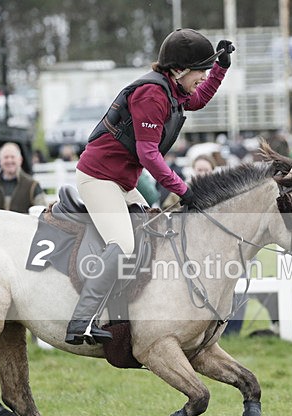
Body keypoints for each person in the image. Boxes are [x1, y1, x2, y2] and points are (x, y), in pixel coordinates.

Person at [65, 28, 235, 345]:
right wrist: (184, 190)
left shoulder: (171, 89)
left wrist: (221, 68)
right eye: (202, 69)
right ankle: (81, 320)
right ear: (181, 69)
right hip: (99, 178)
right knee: (123, 244)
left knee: (152, 238)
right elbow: (148, 154)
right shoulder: (152, 94)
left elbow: (197, 100)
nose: (204, 75)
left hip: (120, 180)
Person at [0, 142, 48, 213]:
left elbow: (43, 214)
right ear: (0, 161)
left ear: (20, 160)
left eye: (13, 157)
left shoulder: (33, 186)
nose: (9, 160)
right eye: (6, 157)